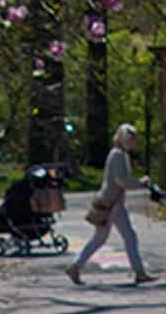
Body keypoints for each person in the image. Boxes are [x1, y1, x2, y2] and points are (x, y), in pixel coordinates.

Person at [66, 123, 156, 287]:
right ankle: (138, 272)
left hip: (114, 202)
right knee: (122, 237)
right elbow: (122, 180)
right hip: (111, 203)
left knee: (112, 237)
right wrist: (140, 183)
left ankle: (76, 267)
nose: (133, 143)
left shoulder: (120, 154)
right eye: (131, 139)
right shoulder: (117, 155)